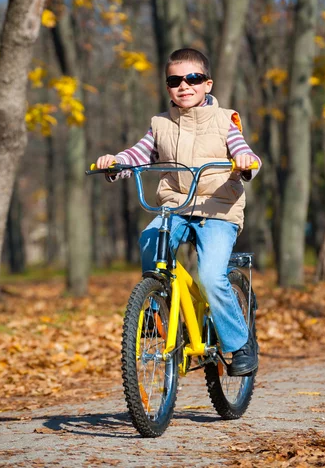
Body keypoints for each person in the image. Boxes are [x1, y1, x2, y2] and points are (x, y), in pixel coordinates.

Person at [96, 48, 261, 376]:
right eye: (175, 80)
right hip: (175, 207)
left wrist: (245, 164)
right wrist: (116, 162)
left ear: (207, 84)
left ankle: (240, 343)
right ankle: (157, 310)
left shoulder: (225, 120)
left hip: (219, 209)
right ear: (167, 86)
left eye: (193, 78)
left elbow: (244, 151)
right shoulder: (160, 124)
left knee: (211, 276)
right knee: (150, 239)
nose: (184, 85)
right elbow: (139, 154)